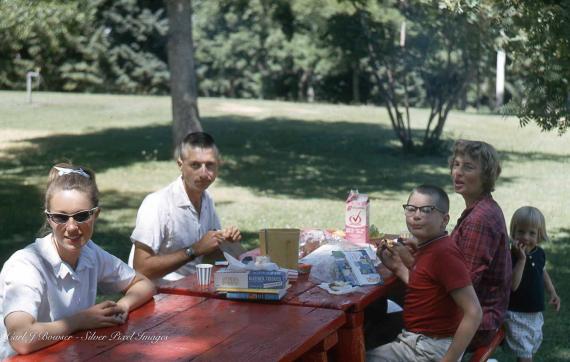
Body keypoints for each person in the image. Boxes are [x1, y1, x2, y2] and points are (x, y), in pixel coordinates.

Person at [0, 164, 156, 358]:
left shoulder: (90, 253)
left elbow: (143, 284)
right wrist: (79, 321)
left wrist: (122, 306)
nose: (72, 227)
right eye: (60, 217)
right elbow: (21, 338)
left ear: (95, 214)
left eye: (81, 216)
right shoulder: (26, 265)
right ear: (49, 219)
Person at [367, 185, 482, 362]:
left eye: (427, 210)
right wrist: (398, 267)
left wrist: (449, 360)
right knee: (370, 333)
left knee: (354, 356)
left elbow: (474, 312)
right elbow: (427, 289)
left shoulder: (444, 254)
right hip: (419, 339)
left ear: (445, 220)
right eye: (411, 209)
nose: (416, 215)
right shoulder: (430, 246)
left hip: (430, 348)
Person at [130, 132, 242, 284]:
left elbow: (208, 256)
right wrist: (194, 250)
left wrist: (226, 243)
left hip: (193, 290)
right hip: (157, 296)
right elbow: (141, 268)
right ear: (180, 165)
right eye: (195, 165)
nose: (204, 173)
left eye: (209, 165)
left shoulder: (206, 199)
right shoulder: (157, 204)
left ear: (218, 165)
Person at [449, 139, 512, 350]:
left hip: (474, 324)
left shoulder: (480, 220)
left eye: (468, 167)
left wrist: (406, 269)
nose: (457, 172)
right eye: (456, 164)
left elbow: (462, 282)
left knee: (378, 324)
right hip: (476, 314)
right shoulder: (482, 207)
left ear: (485, 176)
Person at [505, 206, 561, 362]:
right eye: (521, 232)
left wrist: (552, 292)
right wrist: (522, 259)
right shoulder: (512, 256)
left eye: (531, 233)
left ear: (539, 234)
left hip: (535, 312)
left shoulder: (539, 253)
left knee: (528, 352)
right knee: (525, 356)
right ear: (513, 233)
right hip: (516, 313)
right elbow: (513, 286)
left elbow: (542, 272)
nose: (525, 237)